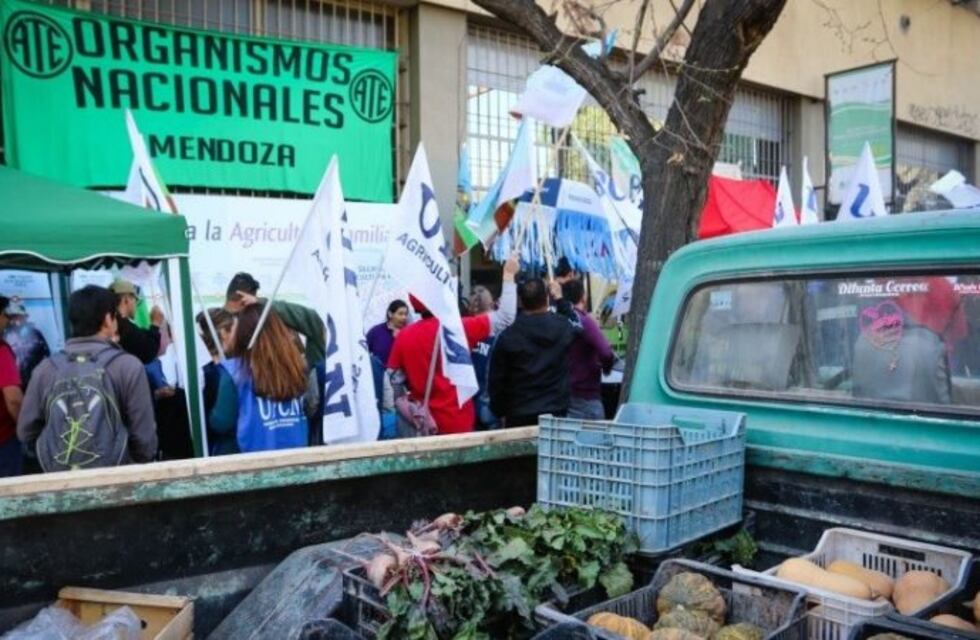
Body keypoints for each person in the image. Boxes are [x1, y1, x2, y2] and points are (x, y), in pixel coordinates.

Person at [17, 286, 157, 471]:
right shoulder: (127, 366)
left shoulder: (46, 369)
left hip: (60, 484)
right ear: (108, 319)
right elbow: (144, 440)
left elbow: (25, 431)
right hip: (118, 481)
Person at [386, 256, 520, 435]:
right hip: (459, 423)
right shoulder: (458, 328)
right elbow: (505, 317)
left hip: (422, 426)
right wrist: (509, 276)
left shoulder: (403, 336)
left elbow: (395, 382)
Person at [489, 278, 581, 428]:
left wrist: (499, 411)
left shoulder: (508, 336)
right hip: (556, 412)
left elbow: (496, 381)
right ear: (546, 298)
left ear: (521, 301)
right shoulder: (563, 327)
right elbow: (577, 324)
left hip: (519, 414)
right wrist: (560, 299)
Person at [221, 303, 310, 453]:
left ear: (243, 334)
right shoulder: (298, 365)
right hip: (299, 461)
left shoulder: (233, 370)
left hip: (254, 464)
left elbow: (221, 421)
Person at [562, 279, 616, 419]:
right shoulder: (585, 321)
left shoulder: (559, 320)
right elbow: (605, 352)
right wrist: (606, 368)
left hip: (563, 393)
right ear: (583, 297)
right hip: (586, 394)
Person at [196, 309, 240, 456]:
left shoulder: (197, 368)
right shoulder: (223, 374)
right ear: (223, 333)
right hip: (223, 450)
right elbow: (221, 422)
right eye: (236, 330)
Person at [109, 278, 164, 365]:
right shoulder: (122, 325)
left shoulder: (108, 322)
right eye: (135, 300)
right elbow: (148, 352)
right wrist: (155, 324)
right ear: (126, 300)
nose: (135, 305)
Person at [0, 296, 24, 476]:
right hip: (3, 441)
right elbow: (13, 399)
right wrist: (26, 429)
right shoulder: (1, 350)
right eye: (4, 314)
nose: (7, 320)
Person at [469, 286, 499, 430]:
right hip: (490, 400)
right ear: (491, 304)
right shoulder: (497, 328)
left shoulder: (465, 329)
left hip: (469, 400)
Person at [2, 298, 50, 389]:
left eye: (19, 316)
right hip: (13, 382)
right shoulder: (5, 335)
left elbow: (46, 354)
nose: (16, 320)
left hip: (33, 381)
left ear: (25, 317)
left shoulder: (35, 333)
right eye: (14, 317)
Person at [366, 300, 409, 365]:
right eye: (400, 314)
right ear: (390, 314)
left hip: (400, 373)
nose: (404, 317)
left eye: (406, 314)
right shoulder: (375, 331)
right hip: (379, 373)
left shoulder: (409, 333)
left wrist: (399, 339)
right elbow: (362, 353)